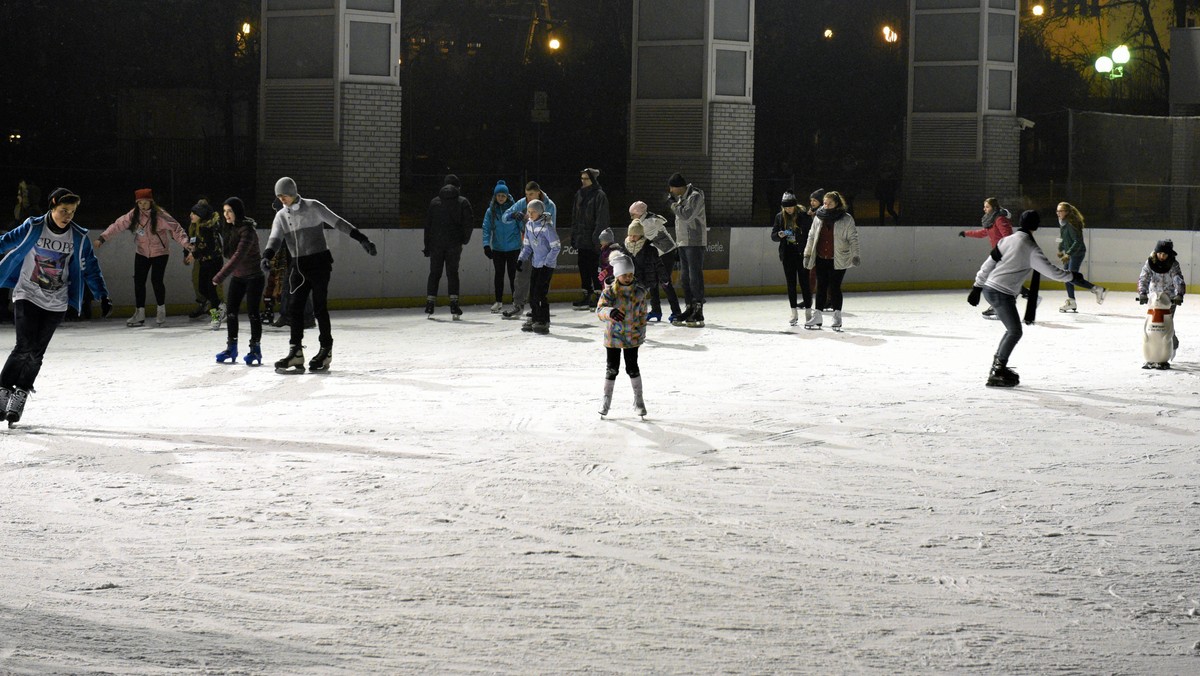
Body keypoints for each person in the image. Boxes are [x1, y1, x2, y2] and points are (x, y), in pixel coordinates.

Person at [0, 188, 113, 425]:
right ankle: (3, 392)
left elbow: (91, 267)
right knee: (24, 346)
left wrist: (102, 295)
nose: (68, 216)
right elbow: (6, 241)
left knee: (36, 353)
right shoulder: (34, 226)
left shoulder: (79, 237)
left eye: (72, 212)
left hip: (56, 301)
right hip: (27, 293)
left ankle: (20, 394)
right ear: (52, 207)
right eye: (64, 211)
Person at [261, 176, 378, 373]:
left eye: (285, 195)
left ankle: (325, 349)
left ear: (293, 192)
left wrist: (362, 239)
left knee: (319, 308)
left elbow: (338, 222)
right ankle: (296, 352)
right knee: (294, 309)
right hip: (298, 266)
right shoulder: (281, 215)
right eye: (279, 196)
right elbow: (274, 238)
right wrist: (267, 256)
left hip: (319, 263)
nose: (282, 199)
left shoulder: (313, 206)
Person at [968, 209, 1097, 387]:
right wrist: (1073, 276)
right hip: (1000, 292)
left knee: (1012, 330)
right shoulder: (1030, 247)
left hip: (991, 288)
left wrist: (977, 286)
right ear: (1037, 226)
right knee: (1014, 331)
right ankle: (997, 370)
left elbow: (989, 262)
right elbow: (1052, 272)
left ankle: (998, 367)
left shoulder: (1007, 240)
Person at [94, 188, 191, 327]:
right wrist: (102, 237)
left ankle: (161, 310)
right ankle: (139, 313)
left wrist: (185, 243)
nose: (142, 206)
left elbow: (176, 229)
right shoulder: (134, 215)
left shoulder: (160, 215)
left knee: (156, 281)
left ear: (151, 202)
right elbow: (118, 225)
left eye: (145, 203)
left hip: (160, 252)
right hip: (142, 252)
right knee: (139, 281)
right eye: (139, 203)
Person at [596, 254, 649, 418]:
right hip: (613, 338)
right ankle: (606, 400)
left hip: (632, 338)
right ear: (617, 275)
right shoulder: (609, 293)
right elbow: (599, 311)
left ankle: (639, 401)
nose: (628, 277)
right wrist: (610, 312)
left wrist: (640, 334)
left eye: (630, 274)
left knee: (632, 368)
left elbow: (642, 316)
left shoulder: (639, 293)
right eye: (624, 274)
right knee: (612, 369)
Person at [213, 197, 264, 366]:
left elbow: (237, 257)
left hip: (254, 277)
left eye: (230, 211)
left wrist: (219, 277)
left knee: (253, 313)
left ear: (237, 212)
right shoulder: (230, 229)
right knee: (231, 313)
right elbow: (228, 254)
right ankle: (231, 348)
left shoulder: (248, 231)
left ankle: (255, 349)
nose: (226, 215)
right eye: (224, 211)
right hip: (238, 277)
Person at [802, 190, 860, 330]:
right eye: (825, 203)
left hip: (838, 258)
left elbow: (853, 237)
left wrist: (855, 254)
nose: (826, 206)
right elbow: (811, 236)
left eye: (830, 203)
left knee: (834, 287)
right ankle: (818, 316)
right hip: (821, 257)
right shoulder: (819, 217)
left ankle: (837, 316)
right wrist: (807, 254)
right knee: (821, 286)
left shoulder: (846, 219)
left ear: (837, 204)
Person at [501, 181, 558, 319]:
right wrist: (513, 215)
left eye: (531, 194)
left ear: (538, 192)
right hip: (528, 244)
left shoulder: (550, 206)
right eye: (526, 195)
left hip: (543, 248)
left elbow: (551, 227)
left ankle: (537, 307)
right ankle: (518, 305)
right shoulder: (523, 203)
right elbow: (504, 217)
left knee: (541, 280)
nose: (529, 198)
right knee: (521, 275)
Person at [424, 174, 473, 319]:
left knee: (434, 273)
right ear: (458, 187)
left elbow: (428, 225)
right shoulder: (463, 202)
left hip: (436, 244)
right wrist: (464, 240)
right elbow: (468, 223)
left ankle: (430, 304)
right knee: (452, 273)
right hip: (454, 244)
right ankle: (454, 305)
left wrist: (427, 245)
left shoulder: (434, 202)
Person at [959, 197, 1014, 319]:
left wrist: (1004, 252)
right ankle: (1026, 297)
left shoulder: (1000, 219)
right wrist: (966, 233)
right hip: (998, 253)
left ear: (994, 208)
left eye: (987, 207)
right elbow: (983, 233)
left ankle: (1000, 308)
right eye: (984, 207)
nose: (984, 209)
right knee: (998, 281)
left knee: (995, 281)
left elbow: (1008, 237)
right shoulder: (992, 220)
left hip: (1003, 254)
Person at [628, 200, 681, 323]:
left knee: (665, 282)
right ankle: (656, 310)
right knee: (651, 281)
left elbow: (642, 241)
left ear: (639, 214)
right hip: (656, 252)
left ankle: (676, 311)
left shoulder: (648, 223)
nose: (631, 217)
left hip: (666, 253)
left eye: (633, 215)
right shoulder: (644, 220)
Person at [1136, 239, 1186, 369]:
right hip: (1154, 300)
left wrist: (1179, 294)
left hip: (1168, 300)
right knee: (1153, 326)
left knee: (1166, 325)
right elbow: (1144, 277)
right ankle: (1151, 355)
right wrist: (1142, 292)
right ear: (1156, 252)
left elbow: (1177, 279)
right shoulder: (1150, 262)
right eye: (1160, 253)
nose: (1162, 256)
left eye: (1165, 254)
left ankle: (1170, 346)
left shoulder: (1173, 264)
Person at [667, 173, 707, 327]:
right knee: (685, 277)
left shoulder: (695, 196)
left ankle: (698, 309)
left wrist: (673, 205)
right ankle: (689, 307)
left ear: (679, 186)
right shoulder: (681, 198)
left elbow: (688, 216)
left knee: (694, 276)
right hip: (683, 241)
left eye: (672, 187)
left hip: (695, 241)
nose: (670, 190)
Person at [517, 199, 560, 335]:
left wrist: (547, 262)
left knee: (540, 294)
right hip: (536, 264)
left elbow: (556, 247)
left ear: (540, 212)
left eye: (533, 212)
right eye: (528, 212)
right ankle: (535, 318)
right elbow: (528, 246)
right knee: (532, 294)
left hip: (546, 266)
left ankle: (543, 320)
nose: (530, 214)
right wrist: (521, 259)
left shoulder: (547, 227)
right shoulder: (529, 225)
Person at [1055, 202, 1107, 312]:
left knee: (1072, 277)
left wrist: (1068, 253)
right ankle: (1071, 301)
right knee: (1066, 277)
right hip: (1069, 253)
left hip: (1077, 252)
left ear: (1067, 212)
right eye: (1057, 211)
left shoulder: (1071, 223)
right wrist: (1060, 248)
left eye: (1060, 211)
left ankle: (1097, 289)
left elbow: (1077, 241)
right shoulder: (1062, 222)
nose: (1058, 213)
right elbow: (1061, 237)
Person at [771, 191, 812, 326]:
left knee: (805, 283)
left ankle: (808, 311)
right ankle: (793, 312)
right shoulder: (779, 217)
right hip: (787, 254)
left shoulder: (803, 216)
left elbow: (809, 233)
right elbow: (773, 236)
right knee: (791, 284)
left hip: (801, 253)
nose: (788, 210)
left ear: (795, 205)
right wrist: (780, 234)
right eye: (786, 207)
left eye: (790, 207)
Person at [571, 167, 609, 310]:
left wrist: (597, 239)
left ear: (592, 179)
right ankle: (585, 293)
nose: (583, 181)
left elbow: (602, 219)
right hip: (582, 239)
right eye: (582, 178)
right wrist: (574, 234)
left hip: (593, 240)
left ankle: (598, 295)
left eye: (586, 178)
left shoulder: (599, 195)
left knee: (595, 268)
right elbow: (575, 216)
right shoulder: (579, 194)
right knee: (583, 267)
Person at [183, 200, 226, 326]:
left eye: (194, 213)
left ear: (201, 215)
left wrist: (194, 255)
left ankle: (215, 316)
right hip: (204, 261)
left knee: (211, 288)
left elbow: (207, 247)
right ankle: (219, 304)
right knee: (202, 287)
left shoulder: (208, 229)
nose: (191, 215)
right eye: (191, 212)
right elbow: (192, 242)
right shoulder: (194, 226)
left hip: (214, 261)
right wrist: (187, 254)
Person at [482, 180, 521, 313]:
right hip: (498, 249)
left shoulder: (514, 209)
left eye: (503, 196)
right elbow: (486, 228)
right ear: (495, 196)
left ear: (507, 196)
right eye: (498, 195)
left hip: (514, 248)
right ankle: (498, 301)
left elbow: (521, 226)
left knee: (513, 275)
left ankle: (516, 301)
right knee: (499, 275)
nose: (501, 198)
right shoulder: (491, 211)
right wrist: (486, 245)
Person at [623, 221, 671, 324]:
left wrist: (664, 279)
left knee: (639, 299)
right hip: (631, 280)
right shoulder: (626, 249)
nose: (632, 238)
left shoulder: (650, 249)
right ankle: (633, 316)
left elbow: (659, 265)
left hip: (645, 280)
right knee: (630, 300)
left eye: (634, 235)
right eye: (630, 235)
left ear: (641, 235)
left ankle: (638, 317)